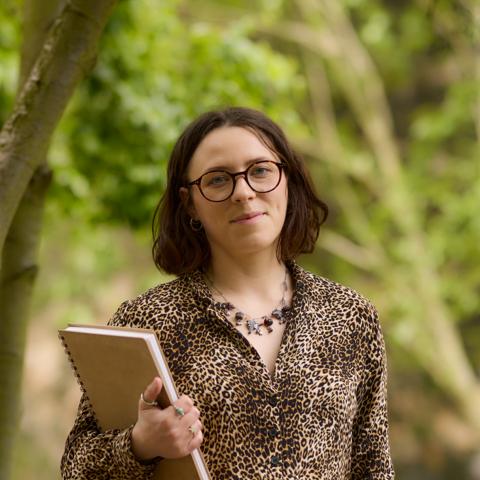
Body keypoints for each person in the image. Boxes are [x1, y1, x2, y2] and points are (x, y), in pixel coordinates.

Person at [61, 106, 394, 479]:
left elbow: (374, 466)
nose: (244, 192)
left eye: (261, 171)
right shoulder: (148, 321)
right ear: (190, 202)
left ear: (288, 179)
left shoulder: (349, 315)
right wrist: (141, 444)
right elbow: (77, 468)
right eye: (218, 180)